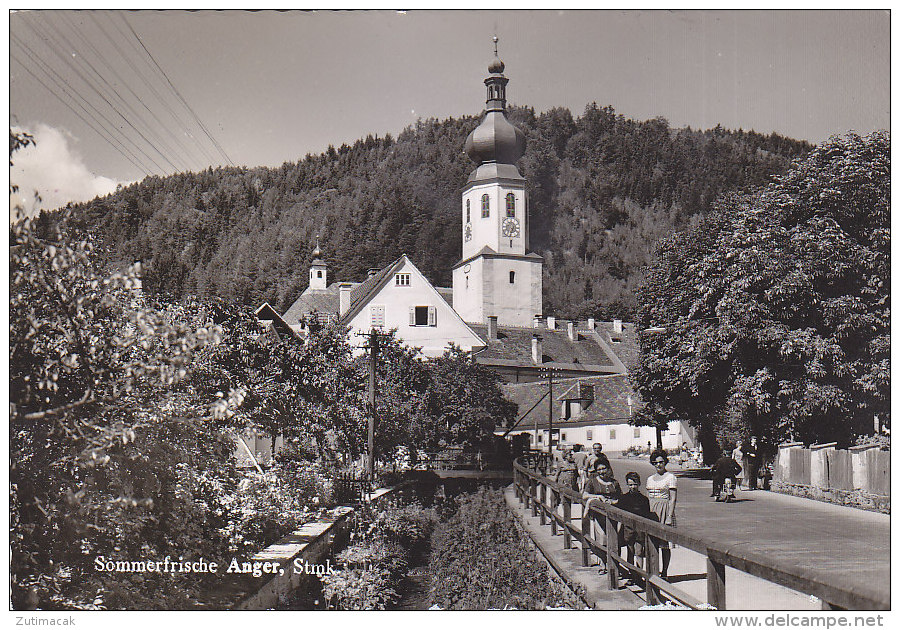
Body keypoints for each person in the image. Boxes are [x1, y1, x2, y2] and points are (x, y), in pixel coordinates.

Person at [615, 472, 655, 584]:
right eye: (630, 484)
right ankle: (632, 575)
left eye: (635, 484)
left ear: (639, 484)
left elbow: (646, 515)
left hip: (640, 530)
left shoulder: (644, 499)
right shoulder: (624, 498)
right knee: (630, 552)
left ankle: (639, 576)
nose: (633, 487)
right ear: (627, 485)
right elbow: (619, 512)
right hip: (628, 529)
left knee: (639, 552)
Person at [582, 460, 621, 574]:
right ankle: (603, 564)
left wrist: (613, 502)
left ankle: (614, 566)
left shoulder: (614, 483)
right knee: (602, 539)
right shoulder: (592, 482)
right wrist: (597, 496)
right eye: (599, 469)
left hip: (613, 516)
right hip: (599, 516)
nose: (601, 471)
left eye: (603, 468)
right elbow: (585, 495)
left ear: (608, 469)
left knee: (614, 540)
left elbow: (620, 497)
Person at [646, 449, 677, 579]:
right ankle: (653, 570)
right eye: (655, 462)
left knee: (664, 544)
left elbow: (673, 498)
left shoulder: (671, 477)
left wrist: (669, 516)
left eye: (661, 462)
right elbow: (647, 497)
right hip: (652, 509)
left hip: (664, 509)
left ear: (665, 462)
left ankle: (664, 572)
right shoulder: (650, 479)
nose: (658, 465)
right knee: (651, 542)